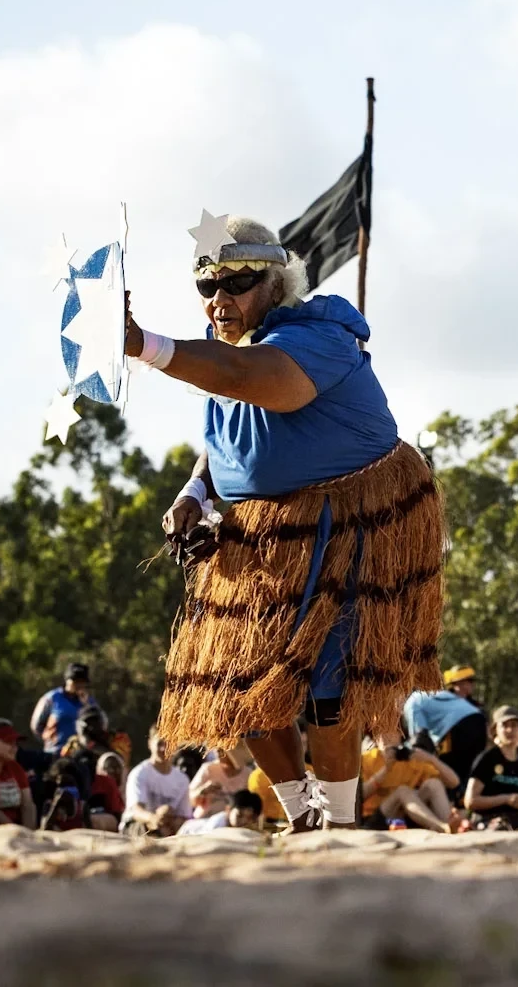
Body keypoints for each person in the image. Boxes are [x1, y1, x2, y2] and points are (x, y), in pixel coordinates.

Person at [130, 216, 444, 834]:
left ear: (276, 284)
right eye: (207, 288)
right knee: (235, 678)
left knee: (332, 684)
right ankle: (301, 815)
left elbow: (258, 385)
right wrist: (196, 490)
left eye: (237, 283)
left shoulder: (316, 337)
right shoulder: (222, 357)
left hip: (348, 522)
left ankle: (342, 825)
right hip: (262, 532)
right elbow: (227, 441)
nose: (220, 300)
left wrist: (143, 344)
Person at [464, 706, 518, 830]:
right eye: (504, 725)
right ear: (496, 730)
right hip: (488, 823)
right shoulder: (488, 758)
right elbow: (470, 801)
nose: (510, 730)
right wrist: (506, 799)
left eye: (514, 725)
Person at [362, 734, 458, 832]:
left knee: (433, 784)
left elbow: (454, 782)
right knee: (402, 791)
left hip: (405, 817)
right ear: (375, 738)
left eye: (393, 731)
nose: (388, 738)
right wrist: (385, 770)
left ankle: (450, 824)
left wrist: (431, 759)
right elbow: (360, 796)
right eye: (381, 733)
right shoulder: (367, 759)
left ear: (401, 735)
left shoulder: (409, 759)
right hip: (376, 818)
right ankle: (442, 827)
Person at [404, 667, 487, 770]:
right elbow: (420, 735)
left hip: (463, 732)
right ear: (456, 684)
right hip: (464, 730)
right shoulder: (419, 701)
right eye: (468, 681)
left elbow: (418, 737)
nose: (472, 685)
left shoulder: (418, 700)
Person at [123, 729, 195, 837]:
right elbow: (136, 811)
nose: (163, 749)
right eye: (159, 743)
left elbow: (184, 814)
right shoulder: (139, 773)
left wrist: (170, 821)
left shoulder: (182, 779)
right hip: (139, 824)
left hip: (168, 828)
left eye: (168, 744)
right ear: (150, 743)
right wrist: (155, 819)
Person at [30, 662, 99, 755]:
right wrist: (50, 739)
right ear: (67, 680)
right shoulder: (51, 698)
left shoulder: (89, 701)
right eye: (76, 681)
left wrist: (86, 705)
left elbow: (99, 722)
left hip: (81, 752)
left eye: (82, 682)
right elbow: (36, 725)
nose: (79, 685)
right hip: (55, 752)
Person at [187, 744, 253, 821]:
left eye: (221, 751)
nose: (217, 753)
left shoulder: (248, 774)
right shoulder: (209, 768)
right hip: (204, 820)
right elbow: (189, 799)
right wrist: (203, 790)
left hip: (232, 824)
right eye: (216, 750)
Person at [180, 788, 266, 835]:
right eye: (239, 815)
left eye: (250, 818)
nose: (244, 821)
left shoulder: (253, 832)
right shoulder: (217, 826)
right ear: (228, 810)